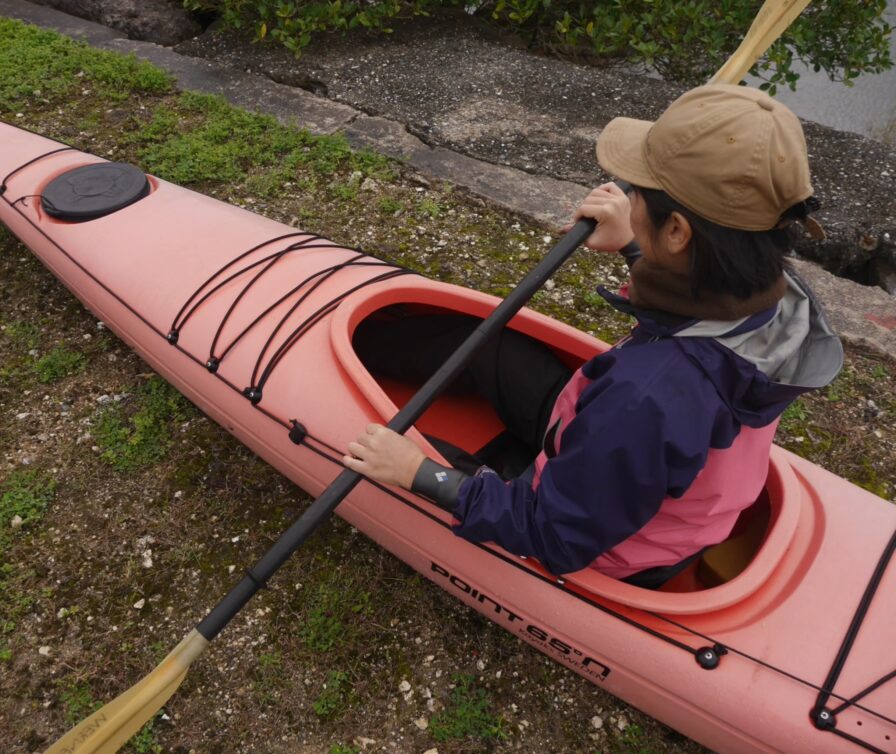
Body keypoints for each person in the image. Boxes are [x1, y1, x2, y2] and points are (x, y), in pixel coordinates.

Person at [342, 84, 844, 588]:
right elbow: (692, 318)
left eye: (639, 194)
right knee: (487, 344)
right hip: (643, 474)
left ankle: (358, 406)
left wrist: (419, 473)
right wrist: (634, 245)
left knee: (378, 440)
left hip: (605, 539)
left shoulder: (644, 397)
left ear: (678, 232)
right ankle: (359, 341)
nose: (630, 196)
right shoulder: (773, 295)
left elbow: (555, 536)